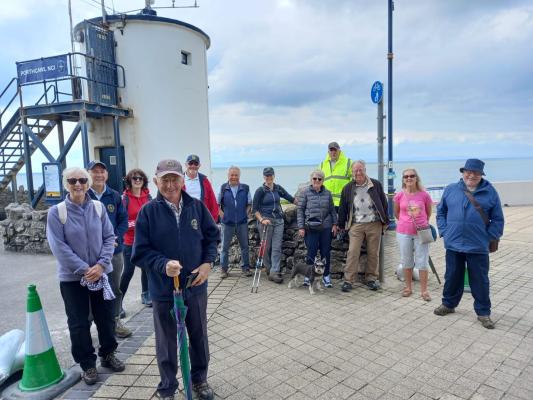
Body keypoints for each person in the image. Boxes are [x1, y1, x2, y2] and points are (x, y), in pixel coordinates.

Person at [131, 159, 219, 400]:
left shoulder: (197, 207)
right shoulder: (148, 212)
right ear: (156, 181)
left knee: (199, 336)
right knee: (167, 342)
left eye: (174, 179)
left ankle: (199, 380)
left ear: (183, 180)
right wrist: (163, 264)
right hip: (162, 289)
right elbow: (139, 252)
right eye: (165, 180)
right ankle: (167, 387)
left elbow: (212, 238)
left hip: (195, 286)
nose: (170, 185)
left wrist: (207, 263)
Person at [46, 167, 125, 385]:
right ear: (66, 184)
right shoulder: (57, 213)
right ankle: (87, 365)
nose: (78, 184)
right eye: (72, 181)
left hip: (101, 274)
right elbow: (58, 247)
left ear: (88, 183)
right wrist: (84, 269)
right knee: (79, 323)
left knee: (106, 316)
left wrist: (100, 266)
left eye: (82, 180)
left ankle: (108, 354)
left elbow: (110, 237)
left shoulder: (98, 208)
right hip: (73, 279)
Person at [435, 159, 504, 329]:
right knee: (452, 276)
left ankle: (483, 313)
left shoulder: (490, 192)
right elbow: (441, 211)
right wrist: (444, 231)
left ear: (481, 175)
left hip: (478, 246)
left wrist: (488, 237)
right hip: (453, 244)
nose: (471, 175)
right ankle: (448, 304)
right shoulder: (451, 189)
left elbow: (498, 219)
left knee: (480, 280)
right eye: (468, 171)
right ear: (463, 172)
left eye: (476, 172)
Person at [87, 160, 131, 339]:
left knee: (114, 287)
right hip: (89, 253)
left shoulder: (114, 196)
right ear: (88, 174)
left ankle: (115, 320)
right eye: (94, 171)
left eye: (101, 171)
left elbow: (123, 220)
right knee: (90, 288)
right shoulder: (84, 194)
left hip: (114, 251)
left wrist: (116, 237)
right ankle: (88, 325)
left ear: (106, 175)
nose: (98, 175)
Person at [338, 160, 389, 292]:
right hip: (356, 225)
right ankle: (348, 280)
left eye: (361, 170)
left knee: (373, 253)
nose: (358, 173)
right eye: (356, 170)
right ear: (352, 172)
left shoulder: (376, 184)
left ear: (365, 170)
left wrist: (385, 221)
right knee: (353, 252)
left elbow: (384, 203)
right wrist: (340, 225)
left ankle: (371, 279)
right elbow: (343, 208)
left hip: (374, 223)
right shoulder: (348, 188)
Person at [393, 168, 433, 301]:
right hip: (404, 233)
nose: (409, 178)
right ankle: (408, 288)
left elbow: (428, 212)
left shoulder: (424, 195)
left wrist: (421, 223)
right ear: (403, 180)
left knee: (422, 262)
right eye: (406, 177)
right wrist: (406, 222)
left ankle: (424, 290)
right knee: (407, 261)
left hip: (421, 232)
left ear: (416, 178)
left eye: (411, 176)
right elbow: (397, 213)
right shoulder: (399, 195)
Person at [252, 167, 295, 284]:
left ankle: (274, 272)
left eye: (270, 175)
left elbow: (290, 198)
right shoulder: (260, 190)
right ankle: (269, 269)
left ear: (273, 175)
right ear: (263, 176)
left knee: (276, 247)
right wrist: (261, 220)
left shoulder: (278, 188)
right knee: (266, 247)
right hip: (266, 221)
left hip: (279, 221)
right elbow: (254, 209)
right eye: (266, 175)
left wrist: (303, 202)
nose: (268, 177)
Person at [297, 170, 338, 288]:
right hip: (311, 228)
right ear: (311, 180)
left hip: (326, 227)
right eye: (315, 178)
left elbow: (332, 210)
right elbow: (300, 210)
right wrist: (301, 226)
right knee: (311, 252)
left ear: (323, 181)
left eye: (319, 179)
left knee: (326, 253)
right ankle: (308, 275)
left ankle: (326, 276)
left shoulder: (328, 193)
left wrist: (335, 224)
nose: (317, 181)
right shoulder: (305, 193)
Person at [119, 168, 152, 308]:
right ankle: (117, 304)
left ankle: (146, 295)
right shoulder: (124, 199)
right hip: (130, 241)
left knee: (147, 268)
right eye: (134, 178)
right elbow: (122, 222)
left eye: (140, 178)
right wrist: (139, 223)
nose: (138, 180)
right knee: (128, 272)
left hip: (146, 241)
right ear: (129, 181)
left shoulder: (148, 197)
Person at [218, 166, 252, 278]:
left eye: (236, 175)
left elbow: (249, 203)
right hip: (227, 223)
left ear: (239, 176)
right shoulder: (223, 188)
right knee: (224, 247)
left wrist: (245, 215)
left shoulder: (245, 188)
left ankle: (246, 268)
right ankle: (224, 269)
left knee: (245, 246)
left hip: (242, 223)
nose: (234, 177)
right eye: (232, 175)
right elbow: (217, 205)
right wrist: (223, 216)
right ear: (228, 176)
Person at [184, 154, 219, 222]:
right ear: (186, 165)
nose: (193, 166)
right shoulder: (180, 180)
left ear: (199, 165)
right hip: (185, 217)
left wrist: (213, 220)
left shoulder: (204, 180)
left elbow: (213, 201)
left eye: (196, 163)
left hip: (201, 217)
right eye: (190, 163)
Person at [319, 142, 352, 210]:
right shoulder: (322, 165)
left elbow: (354, 181)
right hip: (327, 203)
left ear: (339, 151)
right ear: (328, 152)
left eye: (335, 150)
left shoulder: (348, 162)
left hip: (343, 202)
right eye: (331, 150)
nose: (333, 152)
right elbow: (319, 182)